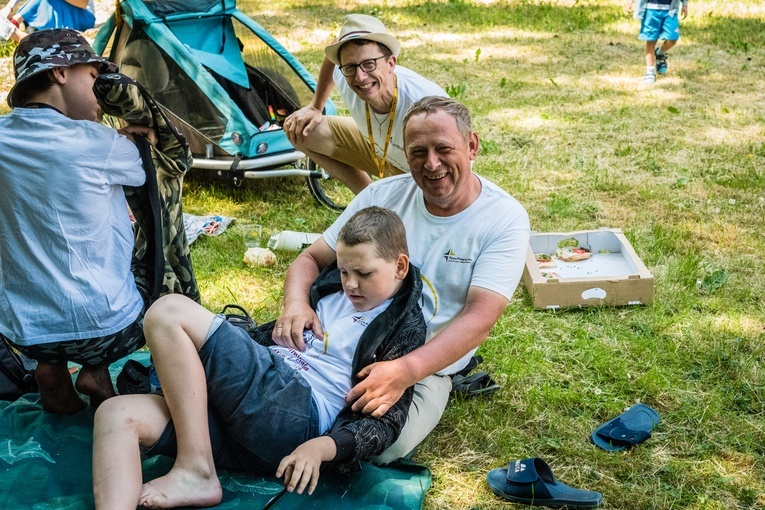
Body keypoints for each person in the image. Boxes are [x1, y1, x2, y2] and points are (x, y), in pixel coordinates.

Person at [92, 206, 426, 509]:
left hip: (294, 413)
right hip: (245, 420)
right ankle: (191, 465)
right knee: (116, 414)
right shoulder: (328, 290)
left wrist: (321, 447)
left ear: (399, 266)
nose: (350, 284)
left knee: (167, 312)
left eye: (363, 274)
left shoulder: (403, 327)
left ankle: (195, 468)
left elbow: (386, 422)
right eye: (342, 271)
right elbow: (261, 340)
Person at [275, 96, 531, 464]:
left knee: (379, 449)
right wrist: (297, 304)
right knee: (264, 394)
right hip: (342, 338)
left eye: (444, 149)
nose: (431, 164)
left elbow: (480, 319)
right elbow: (311, 258)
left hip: (421, 364)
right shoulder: (382, 195)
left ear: (472, 146)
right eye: (417, 152)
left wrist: (405, 371)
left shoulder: (504, 218)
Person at [0, 29, 155, 414]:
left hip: (23, 330)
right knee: (158, 280)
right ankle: (95, 369)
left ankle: (50, 369)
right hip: (103, 328)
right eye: (93, 77)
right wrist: (136, 137)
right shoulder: (99, 143)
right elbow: (154, 167)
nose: (101, 92)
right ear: (60, 73)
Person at [283, 14, 447, 194]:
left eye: (369, 64)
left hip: (418, 172)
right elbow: (333, 52)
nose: (360, 77)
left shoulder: (425, 104)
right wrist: (316, 106)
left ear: (391, 63)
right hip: (380, 152)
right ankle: (368, 199)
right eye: (350, 67)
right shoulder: (347, 74)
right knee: (300, 127)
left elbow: (454, 158)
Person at [626, 0, 689, 84]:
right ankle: (649, 71)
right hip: (650, 9)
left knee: (673, 38)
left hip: (670, 10)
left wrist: (685, 4)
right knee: (651, 40)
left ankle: (659, 53)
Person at [0, 0, 95, 43]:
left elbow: (83, 3)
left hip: (83, 16)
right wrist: (9, 7)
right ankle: (13, 23)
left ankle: (13, 25)